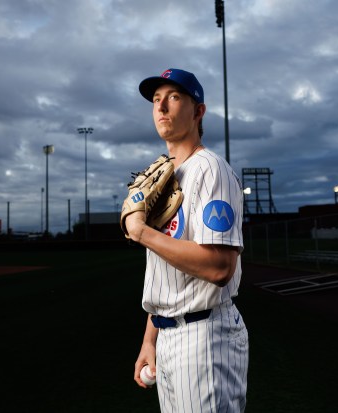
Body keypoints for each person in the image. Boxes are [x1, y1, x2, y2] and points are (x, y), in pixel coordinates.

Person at [124, 68, 248, 412]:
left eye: (174, 97)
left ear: (198, 112)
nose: (162, 107)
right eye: (156, 100)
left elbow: (220, 266)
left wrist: (142, 232)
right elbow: (166, 272)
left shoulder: (210, 169)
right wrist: (150, 339)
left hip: (205, 338)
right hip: (168, 337)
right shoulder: (164, 176)